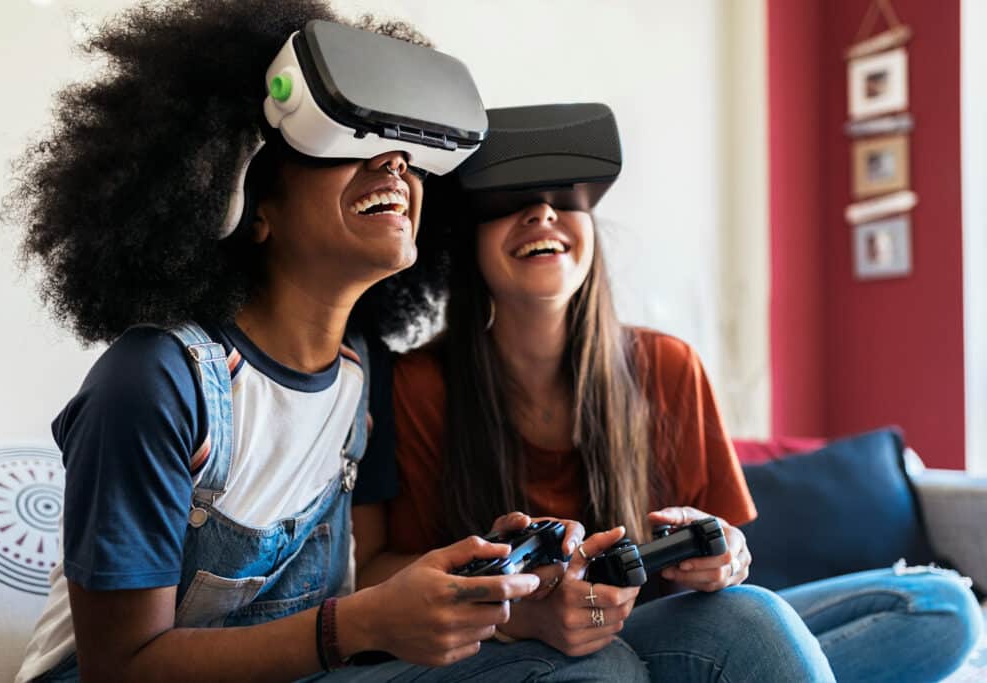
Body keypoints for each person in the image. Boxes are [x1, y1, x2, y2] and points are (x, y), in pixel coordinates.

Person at [5, 5, 646, 682]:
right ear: (250, 203)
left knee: (630, 648)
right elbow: (119, 666)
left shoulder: (361, 375)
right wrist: (358, 624)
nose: (394, 162)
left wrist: (510, 604)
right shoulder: (155, 381)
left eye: (407, 149)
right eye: (348, 137)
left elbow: (360, 584)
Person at [370, 103, 983, 682]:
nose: (543, 214)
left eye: (568, 198)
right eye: (510, 203)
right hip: (522, 653)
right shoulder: (420, 387)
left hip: (668, 629)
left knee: (942, 606)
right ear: (465, 244)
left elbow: (732, 561)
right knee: (745, 626)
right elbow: (382, 574)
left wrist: (724, 557)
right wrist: (520, 613)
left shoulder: (667, 365)